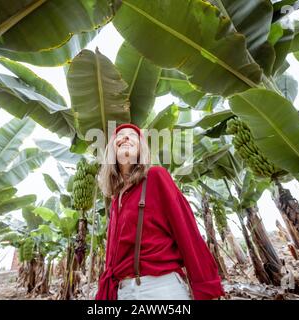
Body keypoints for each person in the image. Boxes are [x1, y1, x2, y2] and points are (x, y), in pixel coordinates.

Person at [95, 123, 225, 300]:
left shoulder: (156, 177)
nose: (125, 137)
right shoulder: (116, 198)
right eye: (120, 135)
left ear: (142, 149)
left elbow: (186, 232)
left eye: (132, 135)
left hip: (159, 288)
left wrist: (207, 286)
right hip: (123, 292)